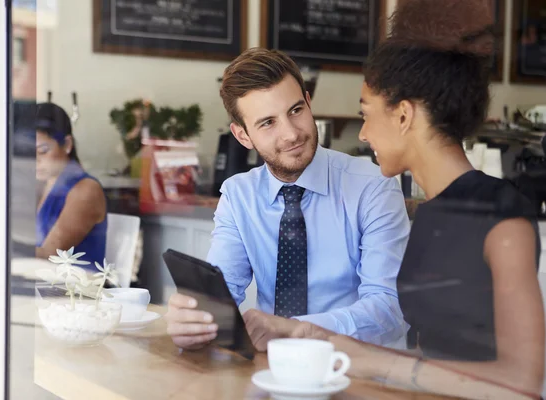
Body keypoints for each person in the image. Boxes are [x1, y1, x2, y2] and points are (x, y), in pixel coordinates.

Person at [328, 0, 545, 399]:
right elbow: (430, 353)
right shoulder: (429, 213)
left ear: (404, 115)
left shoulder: (501, 217)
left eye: (366, 114)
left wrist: (375, 362)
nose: (362, 134)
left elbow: (523, 383)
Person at [165, 48, 411, 351]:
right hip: (274, 368)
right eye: (268, 123)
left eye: (295, 111)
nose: (291, 134)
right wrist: (195, 320)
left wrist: (301, 330)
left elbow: (389, 308)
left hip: (358, 368)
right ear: (243, 136)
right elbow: (221, 294)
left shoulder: (373, 186)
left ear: (308, 102)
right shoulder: (238, 195)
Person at [36, 102, 108, 269]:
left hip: (74, 292)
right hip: (40, 283)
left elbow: (49, 255)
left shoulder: (86, 190)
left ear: (67, 145)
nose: (34, 160)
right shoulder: (44, 184)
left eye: (42, 151)